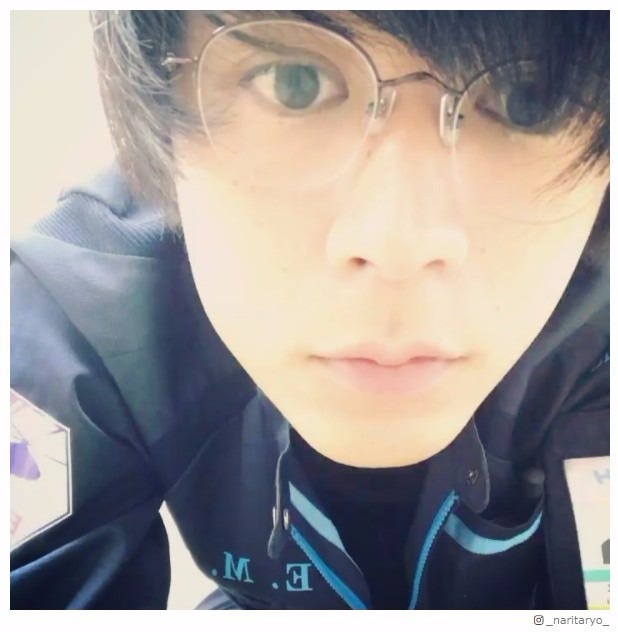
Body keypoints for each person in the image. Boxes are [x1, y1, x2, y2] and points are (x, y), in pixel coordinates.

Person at [10, 10, 609, 610]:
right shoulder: (86, 306)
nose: (397, 245)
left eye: (529, 102)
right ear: (162, 108)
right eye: (294, 82)